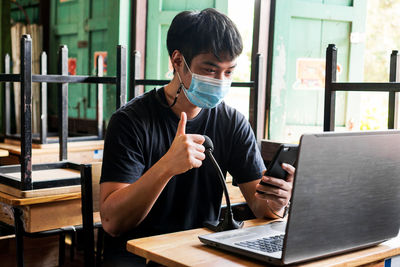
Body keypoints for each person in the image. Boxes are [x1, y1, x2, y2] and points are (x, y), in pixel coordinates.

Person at [99, 8, 294, 266]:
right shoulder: (129, 121)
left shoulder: (232, 122)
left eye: (229, 72)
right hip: (138, 256)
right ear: (177, 61)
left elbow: (260, 208)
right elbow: (113, 223)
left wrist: (277, 201)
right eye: (210, 70)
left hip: (201, 252)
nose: (220, 81)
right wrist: (167, 167)